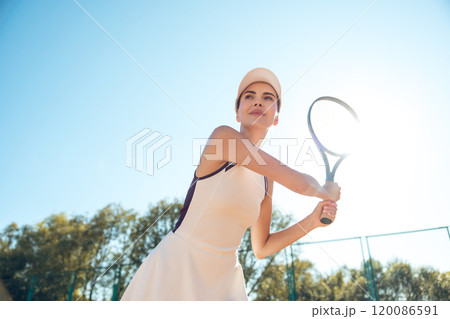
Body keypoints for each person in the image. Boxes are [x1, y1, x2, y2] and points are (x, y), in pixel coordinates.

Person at [120, 67, 340, 301]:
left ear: (276, 117)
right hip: (177, 265)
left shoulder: (266, 181)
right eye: (249, 96)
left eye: (268, 98)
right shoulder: (222, 138)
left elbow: (262, 247)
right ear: (237, 112)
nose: (258, 102)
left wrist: (313, 221)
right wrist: (322, 190)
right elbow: (297, 182)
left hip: (226, 283)